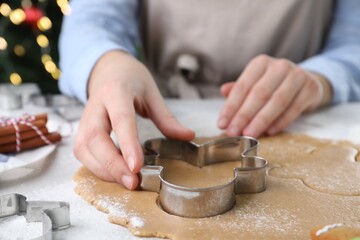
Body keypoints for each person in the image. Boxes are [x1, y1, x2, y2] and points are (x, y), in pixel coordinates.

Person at [59, 0, 360, 190]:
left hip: (296, 118)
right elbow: (91, 20)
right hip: (166, 113)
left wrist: (320, 79)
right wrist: (107, 64)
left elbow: (354, 41)